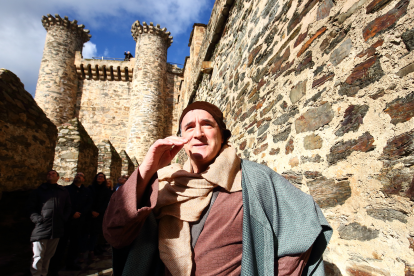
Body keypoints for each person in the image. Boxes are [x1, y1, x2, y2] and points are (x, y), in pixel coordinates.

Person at [103, 101, 333, 276]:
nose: (198, 133)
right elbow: (115, 233)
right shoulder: (163, 184)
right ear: (181, 138)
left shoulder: (253, 178)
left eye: (207, 125)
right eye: (189, 127)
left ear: (222, 136)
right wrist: (147, 168)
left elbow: (304, 227)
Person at [28, 170, 71, 276]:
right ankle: (36, 274)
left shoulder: (63, 191)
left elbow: (68, 206)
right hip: (42, 227)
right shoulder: (39, 191)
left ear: (58, 177)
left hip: (56, 228)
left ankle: (44, 273)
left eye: (53, 174)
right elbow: (30, 208)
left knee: (48, 255)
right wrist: (38, 219)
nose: (50, 175)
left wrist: (63, 218)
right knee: (38, 255)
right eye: (49, 174)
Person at [49, 172, 92, 273]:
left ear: (84, 179)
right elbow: (63, 203)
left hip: (79, 221)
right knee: (61, 244)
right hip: (67, 220)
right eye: (77, 175)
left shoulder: (86, 191)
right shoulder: (66, 190)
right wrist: (72, 213)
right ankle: (55, 266)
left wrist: (80, 213)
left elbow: (89, 204)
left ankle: (71, 262)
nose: (78, 176)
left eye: (81, 175)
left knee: (75, 243)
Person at [87, 172, 111, 260]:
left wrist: (99, 212)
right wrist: (91, 211)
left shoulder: (106, 190)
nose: (100, 178)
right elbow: (88, 200)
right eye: (98, 176)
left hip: (100, 214)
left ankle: (93, 250)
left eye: (102, 177)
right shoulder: (90, 188)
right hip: (89, 214)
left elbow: (106, 202)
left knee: (96, 233)